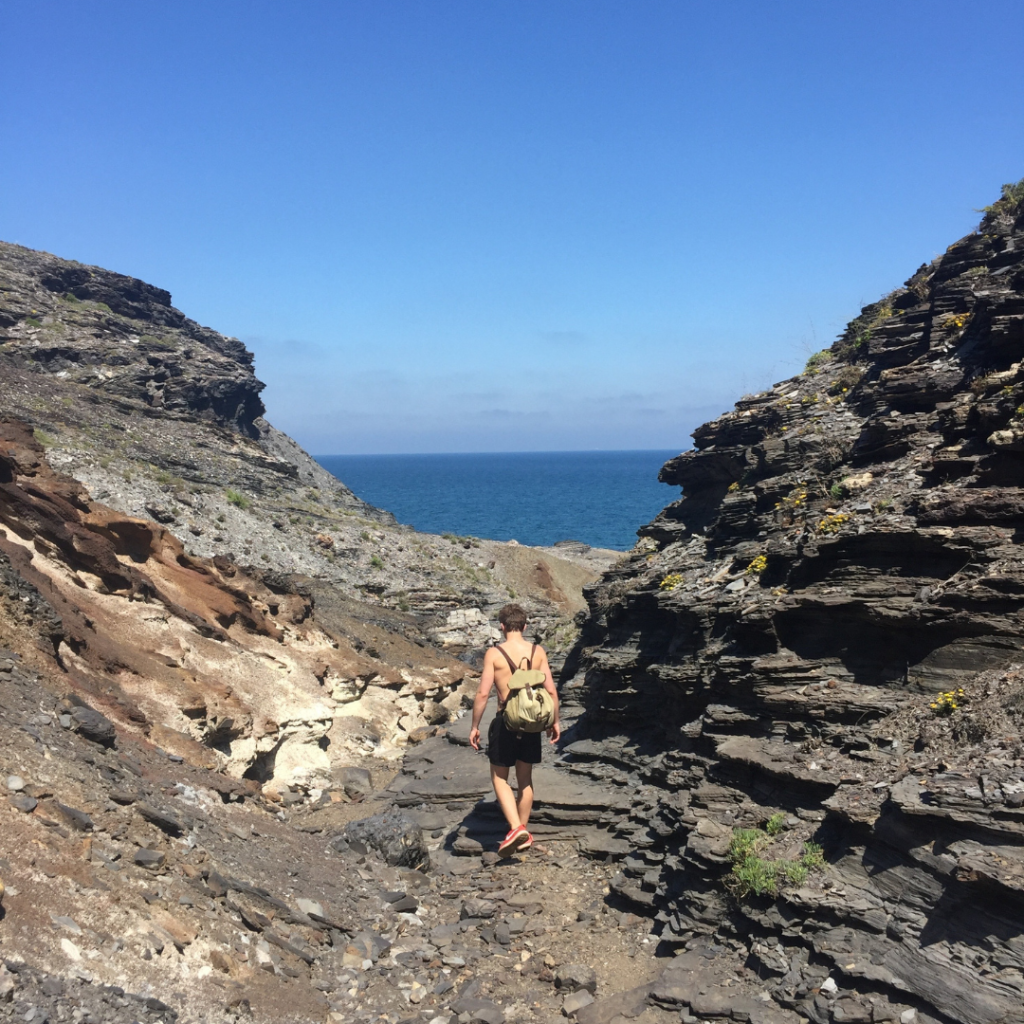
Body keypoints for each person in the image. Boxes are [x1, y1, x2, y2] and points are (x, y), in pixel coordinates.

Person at [469, 603, 561, 855]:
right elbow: (551, 690)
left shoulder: (494, 654)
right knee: (525, 779)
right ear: (525, 625)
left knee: (499, 777)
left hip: (505, 722)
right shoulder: (538, 651)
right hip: (532, 724)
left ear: (501, 626)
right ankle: (523, 832)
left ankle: (515, 829)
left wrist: (475, 726)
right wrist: (555, 721)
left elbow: (483, 693)